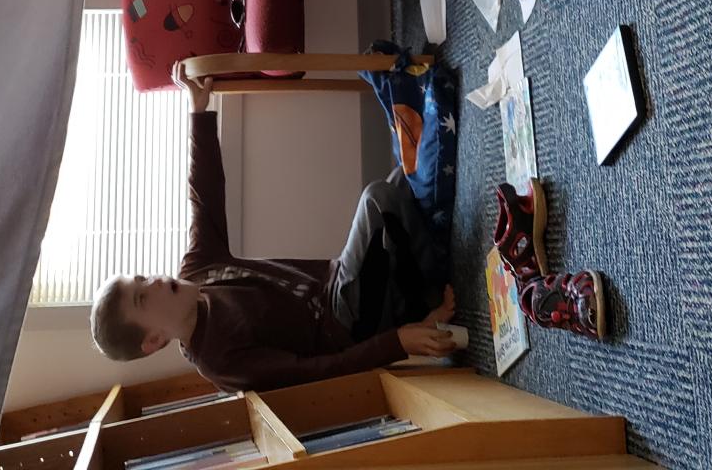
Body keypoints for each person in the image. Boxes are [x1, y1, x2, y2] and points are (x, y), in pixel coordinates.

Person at [90, 65, 458, 391]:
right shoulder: (221, 362)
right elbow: (315, 372)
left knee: (400, 183)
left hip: (337, 280)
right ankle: (434, 293)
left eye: (140, 278)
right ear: (153, 339)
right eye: (142, 297)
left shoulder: (197, 269)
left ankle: (412, 303)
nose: (152, 282)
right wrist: (397, 344)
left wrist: (198, 111)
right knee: (378, 199)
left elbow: (205, 199)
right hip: (343, 322)